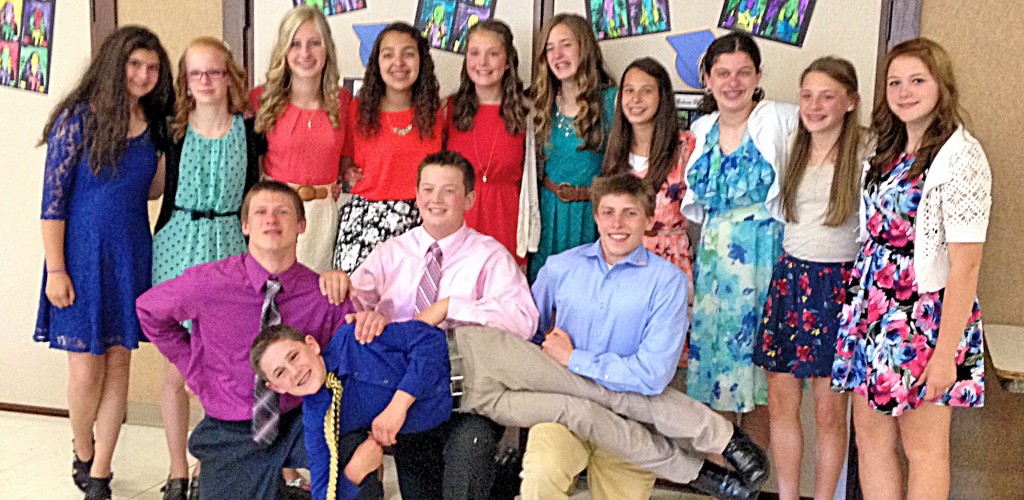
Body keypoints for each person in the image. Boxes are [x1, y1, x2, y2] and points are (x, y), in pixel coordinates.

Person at [520, 174, 765, 500]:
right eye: (608, 212)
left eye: (630, 213)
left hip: (633, 424)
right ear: (596, 217)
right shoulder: (560, 268)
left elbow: (653, 375)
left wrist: (574, 359)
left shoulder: (668, 283)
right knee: (541, 475)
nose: (617, 223)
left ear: (649, 221)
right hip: (565, 412)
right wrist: (547, 361)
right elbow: (528, 334)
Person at [137, 181, 370, 500]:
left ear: (301, 225)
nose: (271, 219)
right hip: (232, 426)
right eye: (261, 212)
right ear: (245, 226)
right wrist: (193, 367)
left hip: (302, 417)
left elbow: (355, 355)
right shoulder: (209, 283)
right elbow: (149, 310)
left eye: (283, 212)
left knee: (358, 459)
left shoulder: (323, 293)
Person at [831, 38, 991, 499]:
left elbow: (966, 264)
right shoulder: (887, 150)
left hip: (924, 317)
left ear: (941, 85)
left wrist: (944, 355)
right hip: (873, 307)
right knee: (870, 439)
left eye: (917, 81)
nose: (904, 92)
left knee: (923, 447)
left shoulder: (960, 156)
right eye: (895, 82)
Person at [34, 26, 172, 500]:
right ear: (115, 64)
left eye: (153, 68)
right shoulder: (77, 119)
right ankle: (83, 448)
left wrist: (166, 145)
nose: (144, 75)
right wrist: (56, 270)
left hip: (130, 255)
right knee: (85, 373)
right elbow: (52, 204)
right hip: (79, 259)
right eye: (135, 64)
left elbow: (151, 191)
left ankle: (101, 472)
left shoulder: (152, 123)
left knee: (118, 367)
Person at [349, 150, 538, 498]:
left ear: (468, 199)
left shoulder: (490, 255)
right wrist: (364, 314)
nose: (435, 200)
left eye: (448, 191)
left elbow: (524, 321)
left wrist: (451, 307)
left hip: (471, 393)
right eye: (428, 189)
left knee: (466, 466)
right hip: (409, 397)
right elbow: (352, 307)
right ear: (416, 194)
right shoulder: (390, 253)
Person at [149, 36, 261, 500]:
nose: (206, 81)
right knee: (178, 367)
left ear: (230, 76)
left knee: (225, 365)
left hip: (231, 249)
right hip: (177, 248)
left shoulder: (250, 130)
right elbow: (151, 188)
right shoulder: (171, 131)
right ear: (185, 81)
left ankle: (212, 463)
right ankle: (177, 469)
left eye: (215, 72)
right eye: (196, 74)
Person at [752, 57, 861, 500]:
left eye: (827, 96)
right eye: (807, 95)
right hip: (790, 279)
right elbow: (753, 112)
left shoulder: (866, 153)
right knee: (781, 403)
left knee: (829, 412)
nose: (814, 106)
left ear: (850, 102)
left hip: (838, 287)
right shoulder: (790, 142)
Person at [681, 32, 798, 447]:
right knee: (716, 379)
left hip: (764, 258)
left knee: (762, 382)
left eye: (743, 73)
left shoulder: (781, 120)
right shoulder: (700, 129)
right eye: (723, 73)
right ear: (708, 79)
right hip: (715, 261)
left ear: (758, 76)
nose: (733, 83)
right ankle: (723, 476)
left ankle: (755, 475)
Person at [601, 56, 697, 366]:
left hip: (670, 261)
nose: (636, 100)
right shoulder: (614, 152)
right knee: (623, 354)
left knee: (665, 360)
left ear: (662, 97)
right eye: (629, 91)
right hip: (621, 260)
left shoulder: (686, 147)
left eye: (646, 91)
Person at [333, 22, 443, 272]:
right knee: (357, 297)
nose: (398, 63)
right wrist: (347, 172)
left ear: (421, 60)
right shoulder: (357, 111)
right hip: (365, 224)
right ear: (377, 63)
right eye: (388, 54)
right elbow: (343, 163)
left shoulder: (437, 113)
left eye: (408, 53)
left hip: (421, 224)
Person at [250, 5, 350, 273]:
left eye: (314, 43)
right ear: (284, 49)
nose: (305, 53)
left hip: (323, 219)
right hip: (275, 216)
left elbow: (348, 161)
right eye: (295, 44)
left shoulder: (343, 102)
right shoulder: (260, 100)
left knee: (317, 292)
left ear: (327, 48)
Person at [527, 13, 616, 282]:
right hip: (549, 214)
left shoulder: (610, 101)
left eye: (566, 45)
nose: (558, 55)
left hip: (591, 217)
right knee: (544, 290)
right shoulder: (540, 103)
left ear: (584, 48)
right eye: (550, 49)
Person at [444, 20, 532, 267]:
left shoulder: (527, 113)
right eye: (474, 53)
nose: (482, 62)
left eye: (493, 54)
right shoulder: (447, 109)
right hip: (458, 221)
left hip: (507, 221)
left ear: (508, 61)